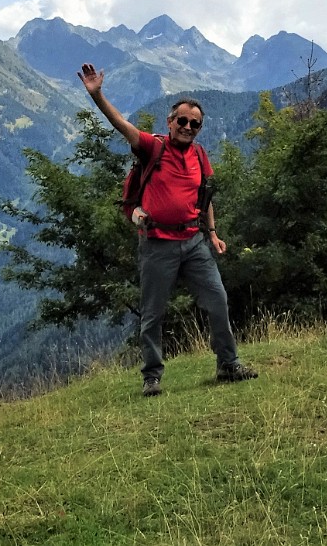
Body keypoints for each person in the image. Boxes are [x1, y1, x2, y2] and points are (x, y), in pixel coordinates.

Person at [77, 62, 258, 397]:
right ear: (170, 122)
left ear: (199, 128)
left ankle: (228, 365)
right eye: (183, 121)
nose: (188, 127)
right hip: (157, 243)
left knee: (217, 301)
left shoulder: (199, 155)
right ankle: (152, 377)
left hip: (193, 241)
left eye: (195, 124)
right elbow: (121, 124)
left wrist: (213, 233)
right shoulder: (152, 147)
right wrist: (98, 95)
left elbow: (205, 196)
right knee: (153, 313)